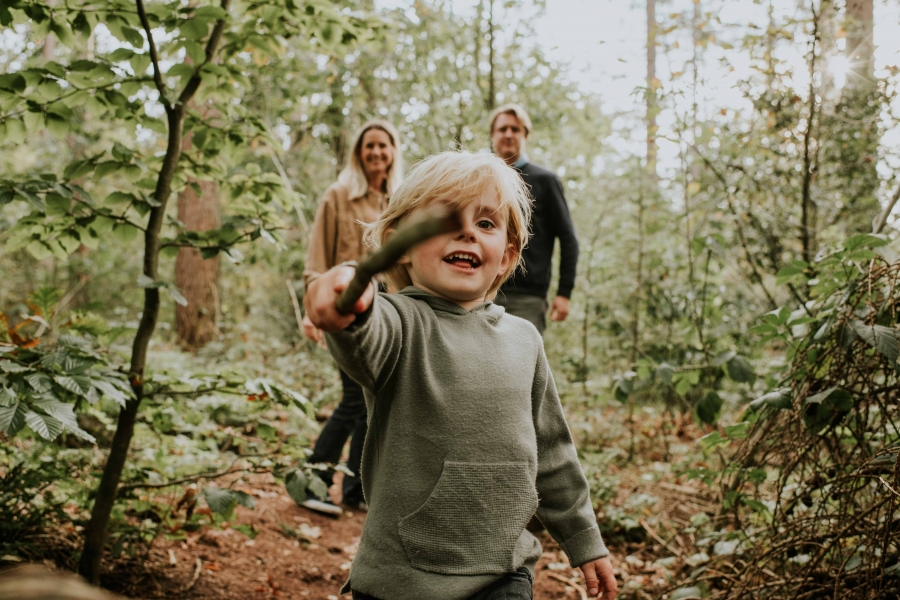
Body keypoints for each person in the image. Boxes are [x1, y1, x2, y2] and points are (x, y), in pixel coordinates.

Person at [305, 151, 617, 600]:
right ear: (403, 244)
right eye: (444, 220)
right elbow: (364, 333)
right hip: (403, 576)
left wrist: (584, 540)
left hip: (504, 570)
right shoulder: (400, 322)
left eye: (486, 224)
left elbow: (552, 451)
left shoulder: (524, 339)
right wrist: (346, 299)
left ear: (507, 255)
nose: (468, 230)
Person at [300, 119, 404, 514]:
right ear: (359, 153)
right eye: (369, 146)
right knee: (352, 400)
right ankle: (310, 482)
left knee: (372, 399)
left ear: (393, 151)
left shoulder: (399, 201)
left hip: (389, 315)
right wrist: (314, 312)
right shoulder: (338, 195)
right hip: (346, 312)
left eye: (384, 145)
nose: (377, 152)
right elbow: (316, 261)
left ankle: (355, 491)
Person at [490, 104, 579, 336]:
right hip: (482, 290)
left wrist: (564, 292)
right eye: (502, 129)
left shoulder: (545, 181)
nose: (508, 134)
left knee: (522, 367)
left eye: (515, 129)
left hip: (527, 298)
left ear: (525, 135)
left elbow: (568, 238)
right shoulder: (482, 179)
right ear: (493, 135)